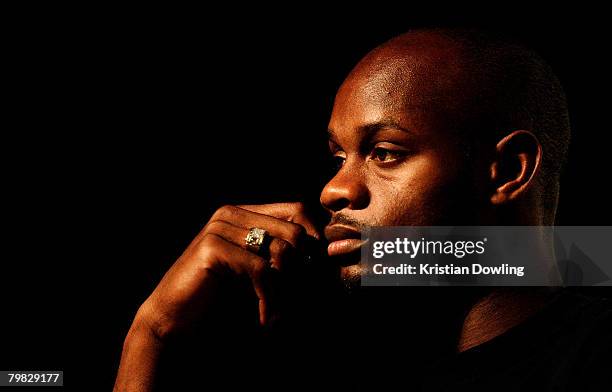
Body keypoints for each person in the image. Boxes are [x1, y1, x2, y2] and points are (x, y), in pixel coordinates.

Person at [114, 28, 612, 391]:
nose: (333, 189)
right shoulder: (335, 364)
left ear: (507, 171)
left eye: (384, 153)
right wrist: (153, 331)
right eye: (338, 157)